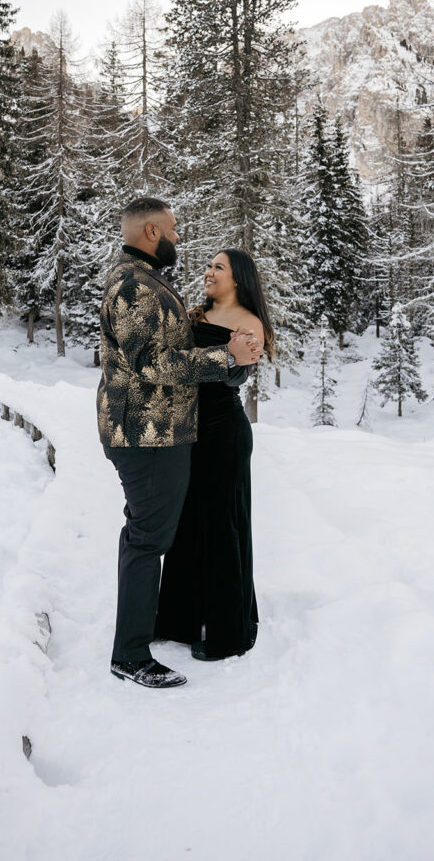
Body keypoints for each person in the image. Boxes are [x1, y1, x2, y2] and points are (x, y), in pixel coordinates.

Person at [97, 198, 262, 689]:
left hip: (160, 431)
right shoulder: (133, 285)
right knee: (148, 539)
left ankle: (143, 635)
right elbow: (152, 364)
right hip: (146, 434)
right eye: (172, 229)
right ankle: (129, 655)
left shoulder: (146, 281)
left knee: (152, 537)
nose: (178, 236)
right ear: (151, 231)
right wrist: (223, 356)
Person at [155, 249, 274, 661]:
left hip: (223, 432)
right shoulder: (196, 315)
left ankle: (229, 633)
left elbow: (237, 371)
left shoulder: (248, 322)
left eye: (217, 267)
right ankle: (177, 619)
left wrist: (234, 360)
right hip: (188, 432)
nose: (208, 272)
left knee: (223, 524)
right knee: (188, 521)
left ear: (238, 278)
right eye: (208, 266)